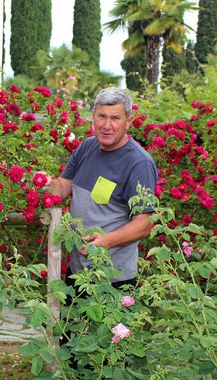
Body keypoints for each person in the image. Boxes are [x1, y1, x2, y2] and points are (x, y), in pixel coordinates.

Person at [45, 87, 158, 287]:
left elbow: (145, 224)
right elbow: (63, 187)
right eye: (101, 116)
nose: (107, 125)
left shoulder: (139, 163)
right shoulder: (87, 147)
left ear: (128, 122)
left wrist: (107, 241)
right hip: (78, 272)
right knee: (71, 319)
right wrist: (46, 184)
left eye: (115, 118)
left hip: (113, 279)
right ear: (93, 117)